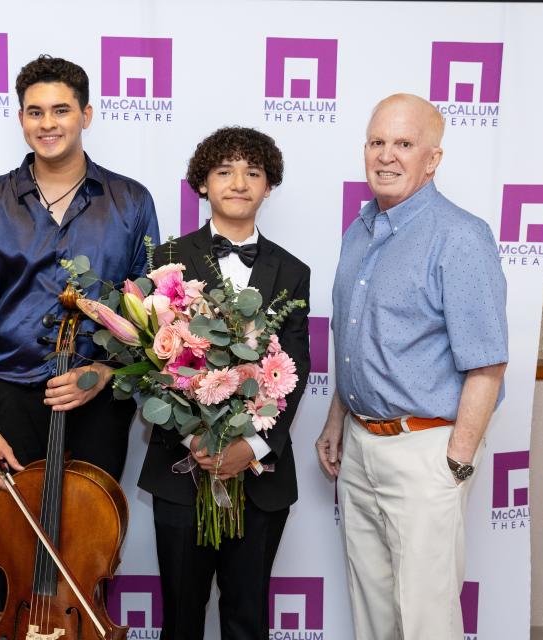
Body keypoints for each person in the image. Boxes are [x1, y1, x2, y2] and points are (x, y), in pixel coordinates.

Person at [0, 54, 159, 609]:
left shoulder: (131, 201)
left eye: (60, 109)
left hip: (98, 404)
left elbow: (151, 318)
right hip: (12, 405)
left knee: (89, 560)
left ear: (86, 114)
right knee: (16, 562)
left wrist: (105, 372)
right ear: (20, 119)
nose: (48, 123)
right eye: (34, 111)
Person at [315, 93, 508, 640]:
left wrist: (457, 463)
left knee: (427, 619)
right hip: (360, 447)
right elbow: (356, 341)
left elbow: (488, 364)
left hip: (426, 451)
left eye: (404, 143)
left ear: (433, 158)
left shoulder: (460, 236)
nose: (386, 155)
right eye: (377, 142)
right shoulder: (360, 230)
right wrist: (336, 422)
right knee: (372, 611)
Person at [138, 126, 311, 639]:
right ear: (202, 183)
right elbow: (151, 359)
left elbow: (294, 371)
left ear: (268, 185)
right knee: (181, 620)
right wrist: (194, 438)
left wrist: (252, 446)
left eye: (252, 172)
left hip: (261, 482)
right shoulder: (167, 257)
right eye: (224, 171)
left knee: (247, 620)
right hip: (180, 472)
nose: (239, 182)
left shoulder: (293, 271)